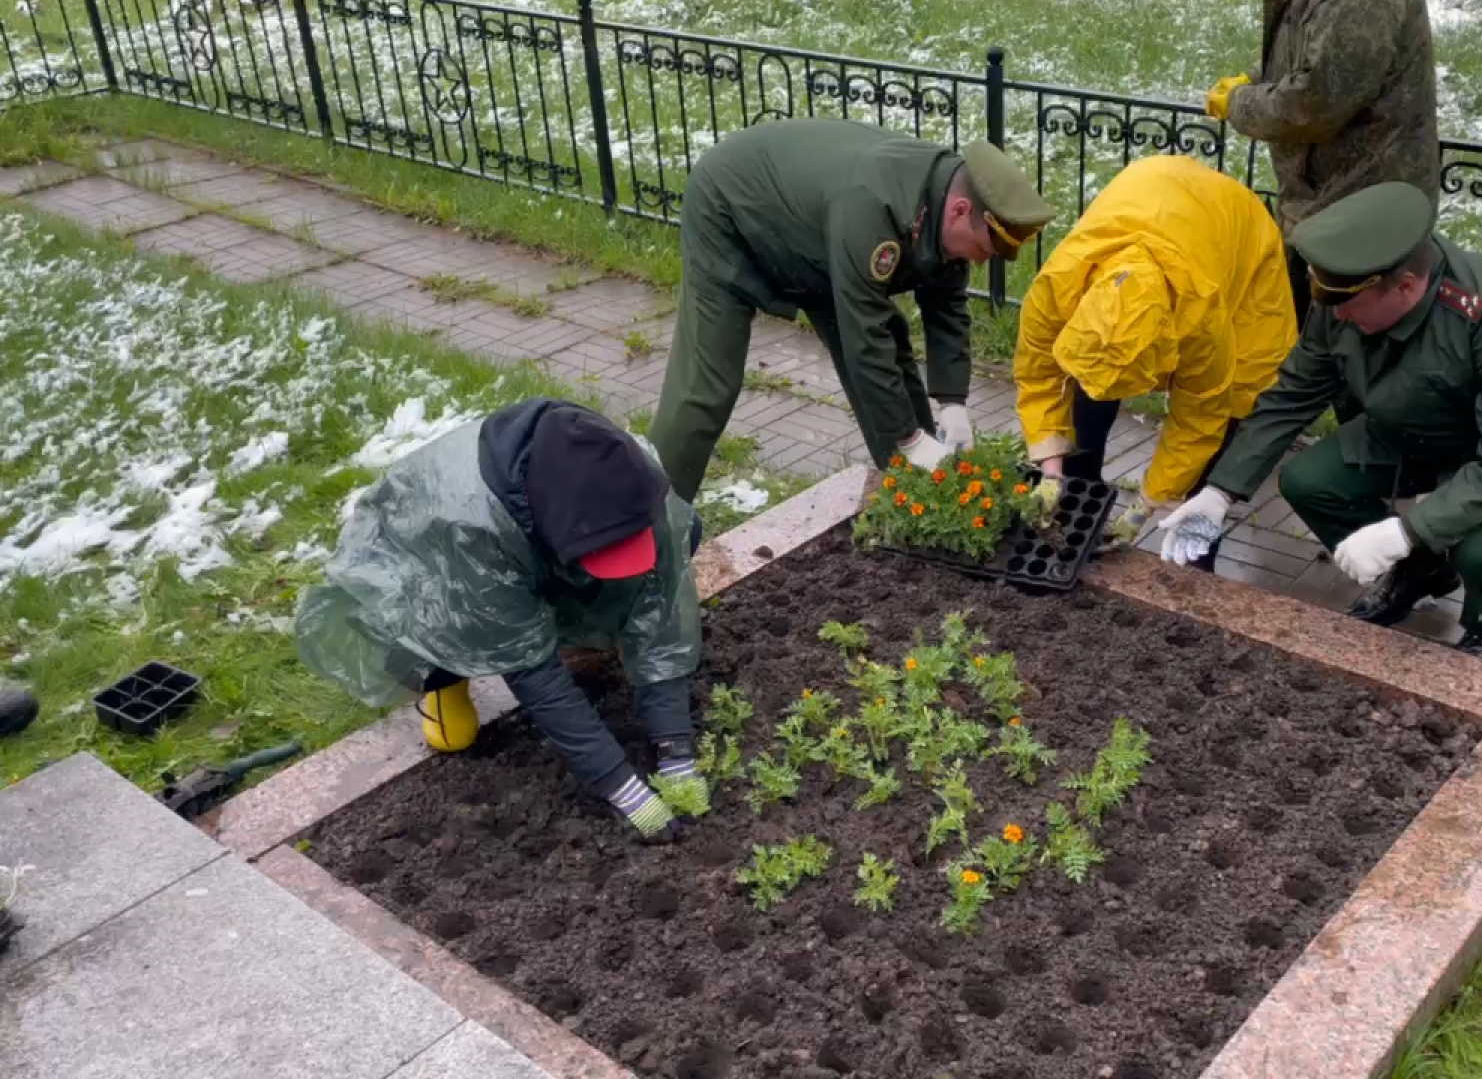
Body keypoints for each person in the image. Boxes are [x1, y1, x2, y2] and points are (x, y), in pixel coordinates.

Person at [1157, 182, 1482, 663]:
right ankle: (1420, 571)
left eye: (1348, 306)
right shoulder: (1345, 295)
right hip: (1417, 419)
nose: (1336, 315)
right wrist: (1220, 492)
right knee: (1308, 480)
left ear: (1406, 286)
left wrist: (1405, 531)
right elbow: (1292, 395)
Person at [295, 398, 706, 842]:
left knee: (670, 549)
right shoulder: (470, 530)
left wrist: (675, 749)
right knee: (456, 698)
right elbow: (535, 674)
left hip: (537, 550)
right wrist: (624, 788)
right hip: (431, 565)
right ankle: (445, 677)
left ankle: (560, 614)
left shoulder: (632, 483)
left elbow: (661, 612)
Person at [649, 118, 1055, 502]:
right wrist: (909, 439)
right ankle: (648, 527)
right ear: (961, 211)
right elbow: (864, 341)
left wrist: (953, 403)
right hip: (732, 209)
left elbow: (946, 303)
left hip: (814, 238)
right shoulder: (873, 205)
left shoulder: (944, 196)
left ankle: (921, 489)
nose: (982, 261)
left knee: (889, 348)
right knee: (706, 386)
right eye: (983, 249)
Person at [1012, 154, 1298, 568]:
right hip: (1154, 194)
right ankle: (1078, 500)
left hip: (1237, 231)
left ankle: (1197, 542)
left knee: (1239, 395)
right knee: (1092, 380)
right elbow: (1038, 376)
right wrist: (1051, 470)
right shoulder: (1058, 287)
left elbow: (1199, 418)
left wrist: (1145, 506)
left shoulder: (1201, 318)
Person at [1205, 0, 1440, 331]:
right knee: (1307, 348)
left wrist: (1239, 103)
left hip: (1363, 213)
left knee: (1345, 344)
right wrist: (1256, 78)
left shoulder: (1360, 6)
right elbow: (1314, 56)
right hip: (1321, 202)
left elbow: (1313, 105)